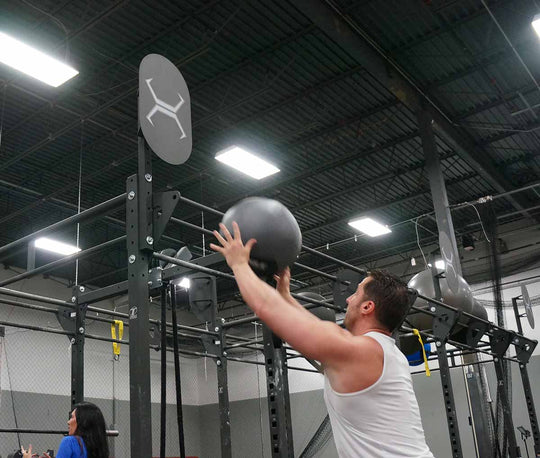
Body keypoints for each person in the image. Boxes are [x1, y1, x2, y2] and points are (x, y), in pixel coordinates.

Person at [211, 222, 434, 458]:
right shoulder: (388, 352)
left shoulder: (358, 351)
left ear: (367, 307)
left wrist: (238, 264)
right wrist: (285, 296)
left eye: (356, 293)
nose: (348, 299)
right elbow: (312, 326)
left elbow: (268, 309)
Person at [22, 402, 109, 458]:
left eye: (72, 417)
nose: (68, 422)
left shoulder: (70, 441)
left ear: (82, 422)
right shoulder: (100, 446)